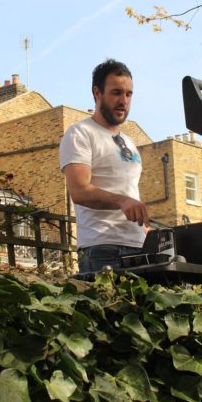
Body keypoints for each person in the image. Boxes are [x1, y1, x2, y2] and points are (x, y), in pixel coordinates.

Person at [59, 59, 149, 273]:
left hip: (138, 246)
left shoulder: (130, 143)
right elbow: (79, 190)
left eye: (128, 94)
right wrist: (123, 201)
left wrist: (145, 227)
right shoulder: (80, 133)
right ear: (97, 93)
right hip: (103, 249)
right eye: (116, 92)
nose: (123, 101)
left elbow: (127, 190)